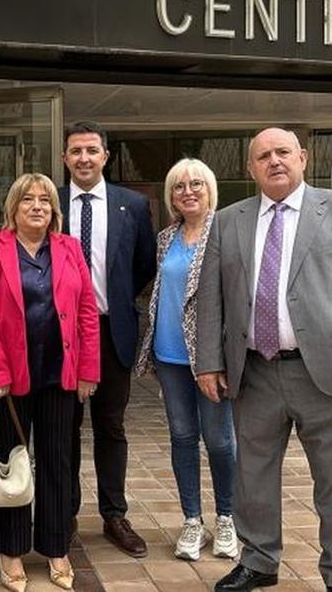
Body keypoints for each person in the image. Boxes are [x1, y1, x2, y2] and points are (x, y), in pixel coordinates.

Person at [197, 128, 332, 592]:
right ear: (251, 169)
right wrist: (209, 361)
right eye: (263, 156)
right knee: (253, 477)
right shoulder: (227, 221)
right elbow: (211, 297)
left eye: (283, 152)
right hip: (256, 371)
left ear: (303, 157)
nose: (274, 161)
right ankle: (259, 561)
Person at [0, 173, 99, 592]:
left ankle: (56, 548)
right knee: (10, 462)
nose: (38, 206)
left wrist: (87, 371)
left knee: (59, 462)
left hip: (61, 375)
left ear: (54, 211)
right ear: (13, 208)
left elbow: (86, 312)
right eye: (28, 200)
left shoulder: (69, 249)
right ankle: (10, 551)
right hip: (9, 379)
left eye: (45, 200)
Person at [58, 121, 156, 557]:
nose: (83, 158)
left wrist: (112, 301)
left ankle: (115, 514)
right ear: (64, 158)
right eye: (75, 151)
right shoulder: (51, 202)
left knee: (110, 426)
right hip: (61, 336)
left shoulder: (131, 205)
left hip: (110, 329)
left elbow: (143, 265)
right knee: (64, 428)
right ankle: (66, 514)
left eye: (91, 150)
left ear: (105, 156)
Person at [134, 159, 237, 562]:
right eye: (179, 186)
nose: (188, 191)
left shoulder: (225, 234)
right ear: (170, 196)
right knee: (181, 438)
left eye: (196, 184)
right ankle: (192, 520)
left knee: (219, 440)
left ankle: (227, 518)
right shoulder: (166, 237)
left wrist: (225, 357)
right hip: (169, 355)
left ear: (210, 190)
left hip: (210, 358)